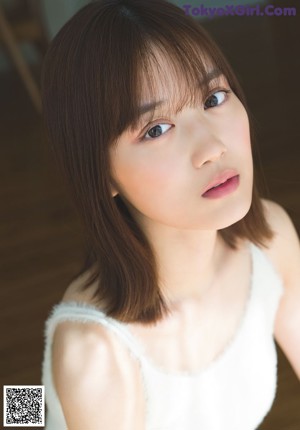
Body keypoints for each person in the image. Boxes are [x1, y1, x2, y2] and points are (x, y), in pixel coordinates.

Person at [40, 0, 300, 429]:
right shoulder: (95, 356)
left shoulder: (272, 239)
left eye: (214, 97)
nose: (213, 147)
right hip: (64, 390)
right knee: (28, 408)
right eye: (156, 129)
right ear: (99, 173)